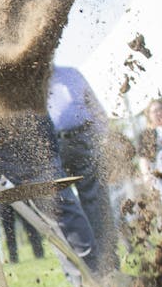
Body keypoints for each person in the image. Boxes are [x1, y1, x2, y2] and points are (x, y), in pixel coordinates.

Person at [47, 64, 118, 273]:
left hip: (84, 138)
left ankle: (110, 268)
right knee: (65, 208)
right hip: (52, 146)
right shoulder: (30, 80)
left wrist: (105, 137)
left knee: (98, 204)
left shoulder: (72, 74)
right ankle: (88, 272)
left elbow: (94, 106)